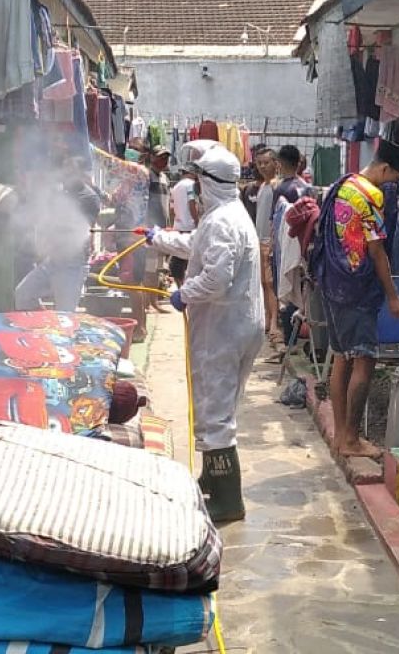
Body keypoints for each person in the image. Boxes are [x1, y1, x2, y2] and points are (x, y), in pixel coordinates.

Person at [147, 146, 263, 522]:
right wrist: (155, 238)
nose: (194, 190)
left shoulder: (221, 221)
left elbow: (216, 277)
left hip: (224, 327)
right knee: (219, 406)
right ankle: (212, 478)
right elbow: (195, 244)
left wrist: (184, 294)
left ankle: (228, 501)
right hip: (237, 324)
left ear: (210, 183)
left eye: (198, 182)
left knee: (215, 412)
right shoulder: (228, 215)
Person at [315, 140, 399, 458]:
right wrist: (393, 295)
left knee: (342, 357)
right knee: (364, 360)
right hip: (357, 288)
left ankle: (342, 437)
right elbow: (377, 250)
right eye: (394, 178)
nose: (393, 186)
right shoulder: (370, 195)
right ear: (385, 168)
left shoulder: (342, 184)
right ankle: (352, 439)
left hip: (332, 282)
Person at [15, 158, 102, 312]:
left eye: (71, 171)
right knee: (23, 294)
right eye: (65, 170)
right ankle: (44, 325)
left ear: (80, 173)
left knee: (65, 314)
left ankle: (62, 332)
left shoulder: (89, 198)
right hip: (53, 260)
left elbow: (81, 229)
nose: (66, 175)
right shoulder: (60, 192)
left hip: (73, 263)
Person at [252, 147, 281, 344]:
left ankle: (274, 324)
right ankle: (267, 318)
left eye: (266, 162)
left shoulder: (276, 186)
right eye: (259, 163)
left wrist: (271, 241)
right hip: (258, 240)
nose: (262, 166)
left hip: (269, 242)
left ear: (276, 164)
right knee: (263, 283)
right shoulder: (262, 186)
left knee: (271, 284)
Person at [143, 146, 172, 314]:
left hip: (162, 229)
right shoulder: (146, 176)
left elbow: (166, 205)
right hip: (150, 229)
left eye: (165, 158)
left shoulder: (164, 178)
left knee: (156, 269)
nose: (164, 161)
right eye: (160, 158)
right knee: (149, 268)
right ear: (152, 157)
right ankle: (146, 303)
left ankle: (153, 301)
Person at [168, 167, 199, 287]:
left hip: (178, 226)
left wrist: (172, 225)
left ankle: (180, 288)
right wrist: (197, 221)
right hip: (190, 227)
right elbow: (192, 204)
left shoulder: (175, 187)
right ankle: (188, 291)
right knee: (191, 261)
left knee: (177, 260)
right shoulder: (191, 185)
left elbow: (171, 209)